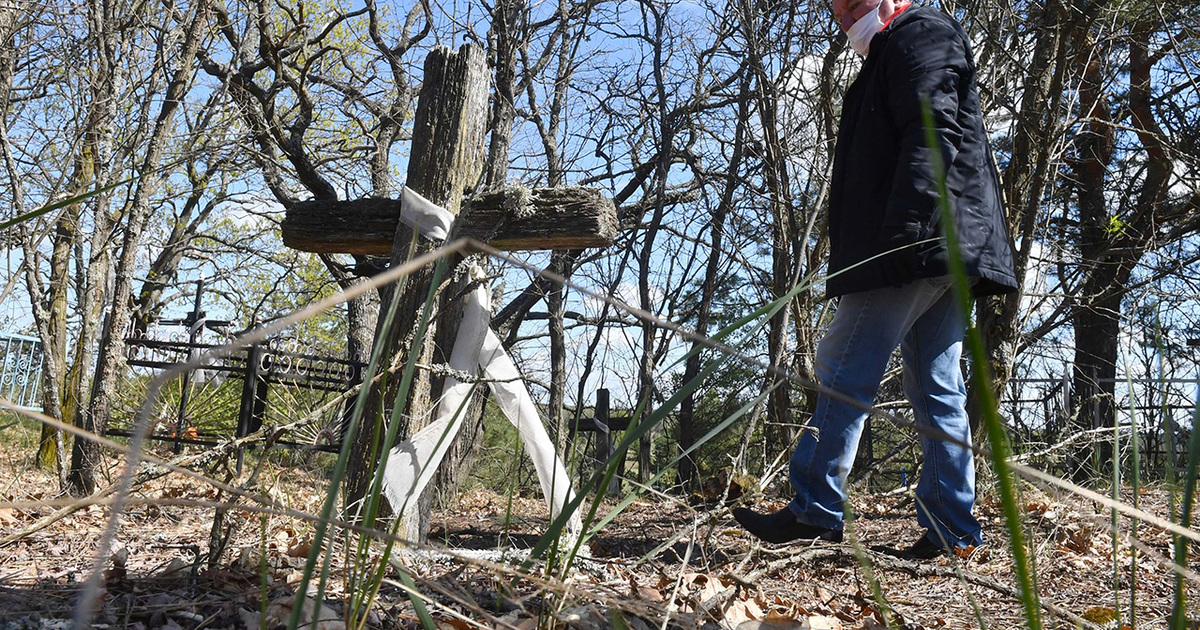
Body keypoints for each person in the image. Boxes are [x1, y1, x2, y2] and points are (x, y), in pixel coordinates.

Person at [732, 0, 1017, 559]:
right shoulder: (897, 47)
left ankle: (815, 509)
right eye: (839, 8)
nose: (847, 13)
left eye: (858, 2)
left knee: (843, 364)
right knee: (938, 388)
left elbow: (934, 127)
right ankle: (951, 528)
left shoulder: (920, 34)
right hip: (941, 245)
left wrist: (906, 230)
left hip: (917, 243)